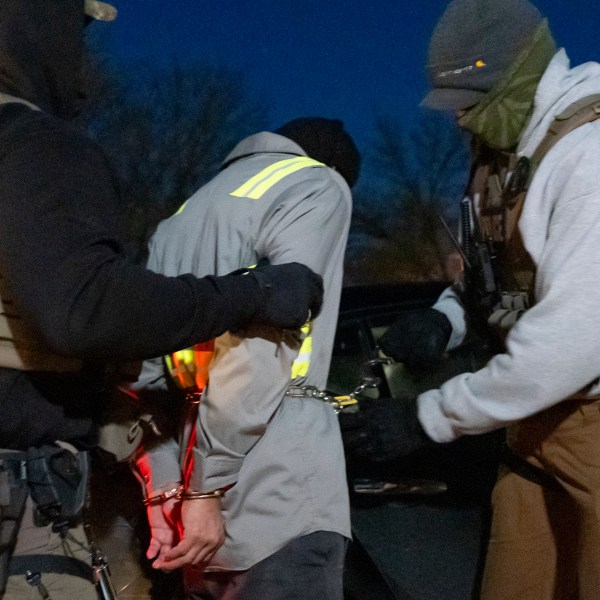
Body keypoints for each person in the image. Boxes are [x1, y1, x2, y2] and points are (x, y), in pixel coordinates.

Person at [0, 2, 324, 599]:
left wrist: (159, 472)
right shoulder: (34, 144)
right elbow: (88, 309)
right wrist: (251, 291)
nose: (83, 60)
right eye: (77, 32)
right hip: (22, 501)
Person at [341, 1, 600, 598]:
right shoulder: (509, 156)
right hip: (532, 434)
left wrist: (428, 416)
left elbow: (565, 346)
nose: (459, 122)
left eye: (470, 103)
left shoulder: (585, 158)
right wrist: (446, 317)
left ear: (516, 79)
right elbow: (500, 270)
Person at [132, 117, 360, 599]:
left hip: (191, 524)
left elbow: (144, 374)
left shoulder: (178, 219)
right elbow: (263, 342)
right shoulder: (318, 185)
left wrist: (167, 492)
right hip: (279, 495)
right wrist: (205, 488)